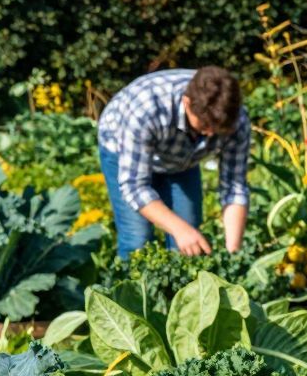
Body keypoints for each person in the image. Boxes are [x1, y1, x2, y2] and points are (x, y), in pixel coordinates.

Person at [96, 65, 249, 258]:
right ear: (187, 103)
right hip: (122, 145)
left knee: (190, 233)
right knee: (138, 238)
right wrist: (179, 229)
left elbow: (234, 187)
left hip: (181, 157)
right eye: (204, 125)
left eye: (218, 130)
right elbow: (134, 186)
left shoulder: (235, 120)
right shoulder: (146, 109)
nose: (210, 134)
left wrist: (232, 254)